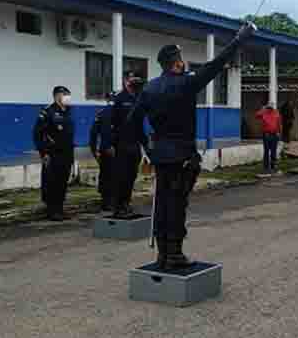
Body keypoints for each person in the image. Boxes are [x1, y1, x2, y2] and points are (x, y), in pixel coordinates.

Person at [130, 22, 255, 270]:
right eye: (181, 59)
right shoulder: (186, 83)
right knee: (177, 204)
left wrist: (148, 147)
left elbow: (132, 121)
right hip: (182, 155)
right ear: (176, 63)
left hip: (161, 155)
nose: (183, 63)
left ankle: (163, 253)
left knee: (163, 201)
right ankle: (174, 253)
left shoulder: (150, 88)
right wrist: (238, 40)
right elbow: (216, 65)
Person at [105, 71, 148, 218]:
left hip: (134, 144)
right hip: (121, 144)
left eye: (136, 78)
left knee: (131, 176)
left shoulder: (138, 98)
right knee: (121, 177)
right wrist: (109, 144)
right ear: (126, 81)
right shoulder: (119, 99)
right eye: (131, 78)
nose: (134, 81)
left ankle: (126, 203)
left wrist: (146, 145)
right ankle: (118, 207)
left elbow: (139, 125)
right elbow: (110, 123)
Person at [33, 86, 75, 221]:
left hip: (67, 153)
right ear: (57, 96)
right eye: (65, 95)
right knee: (52, 182)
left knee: (63, 182)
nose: (67, 97)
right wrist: (43, 153)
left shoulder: (67, 111)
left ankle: (60, 209)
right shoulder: (47, 112)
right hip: (52, 154)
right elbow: (37, 134)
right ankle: (51, 210)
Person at [89, 92, 114, 211]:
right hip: (117, 150)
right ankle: (114, 201)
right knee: (115, 175)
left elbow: (93, 134)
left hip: (106, 150)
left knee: (106, 175)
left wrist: (94, 151)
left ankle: (107, 202)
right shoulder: (124, 112)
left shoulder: (101, 113)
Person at [256, 102, 282, 173]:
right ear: (267, 107)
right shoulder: (264, 112)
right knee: (266, 151)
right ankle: (266, 167)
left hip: (274, 134)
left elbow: (279, 123)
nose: (270, 109)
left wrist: (279, 132)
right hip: (266, 134)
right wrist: (263, 109)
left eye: (271, 107)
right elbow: (257, 115)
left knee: (273, 151)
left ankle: (273, 166)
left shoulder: (276, 113)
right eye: (269, 107)